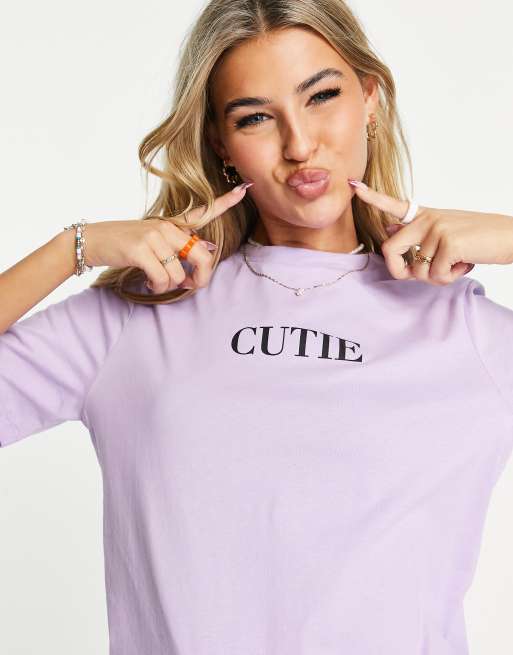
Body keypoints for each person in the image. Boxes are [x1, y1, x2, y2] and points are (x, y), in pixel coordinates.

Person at [1, 0, 513, 653]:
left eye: (321, 96)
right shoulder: (135, 320)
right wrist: (74, 248)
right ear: (221, 142)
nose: (299, 144)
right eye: (255, 117)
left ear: (370, 99)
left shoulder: (466, 332)